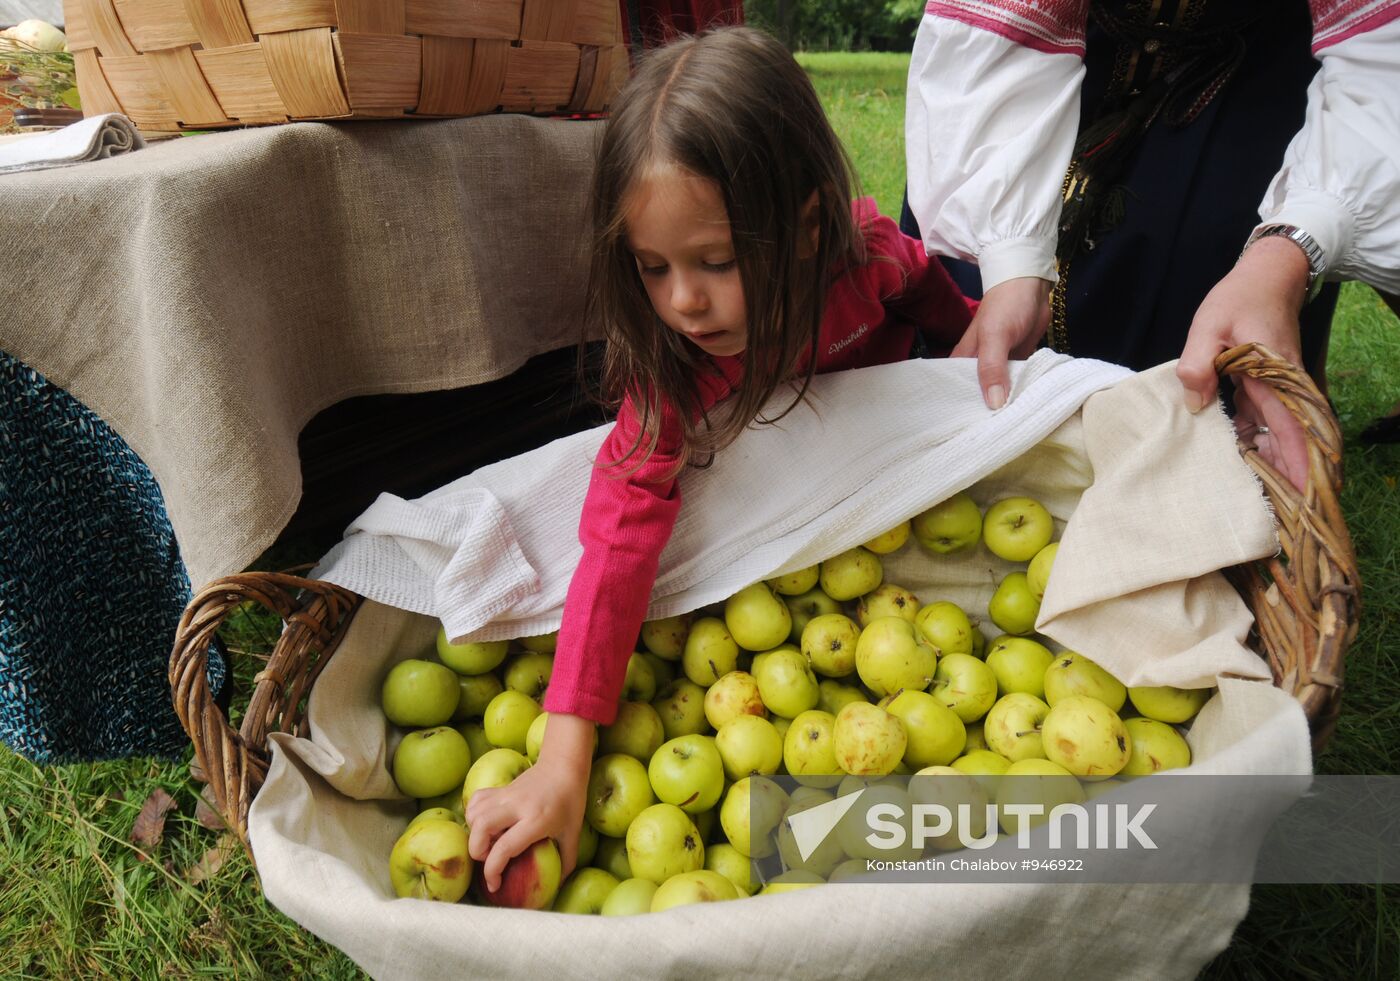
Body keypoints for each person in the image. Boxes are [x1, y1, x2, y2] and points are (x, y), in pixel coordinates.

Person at [464, 25, 975, 891]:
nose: (683, 300)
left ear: (809, 228)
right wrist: (563, 754)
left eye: (716, 261)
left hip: (886, 499)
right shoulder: (677, 375)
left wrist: (972, 354)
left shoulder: (864, 262)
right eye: (652, 267)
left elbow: (931, 295)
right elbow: (618, 537)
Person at [905, 1, 1400, 490]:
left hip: (1262, 72)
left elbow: (1381, 60)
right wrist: (1011, 263)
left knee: (1214, 327)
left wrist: (1289, 249)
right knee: (982, 298)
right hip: (1063, 54)